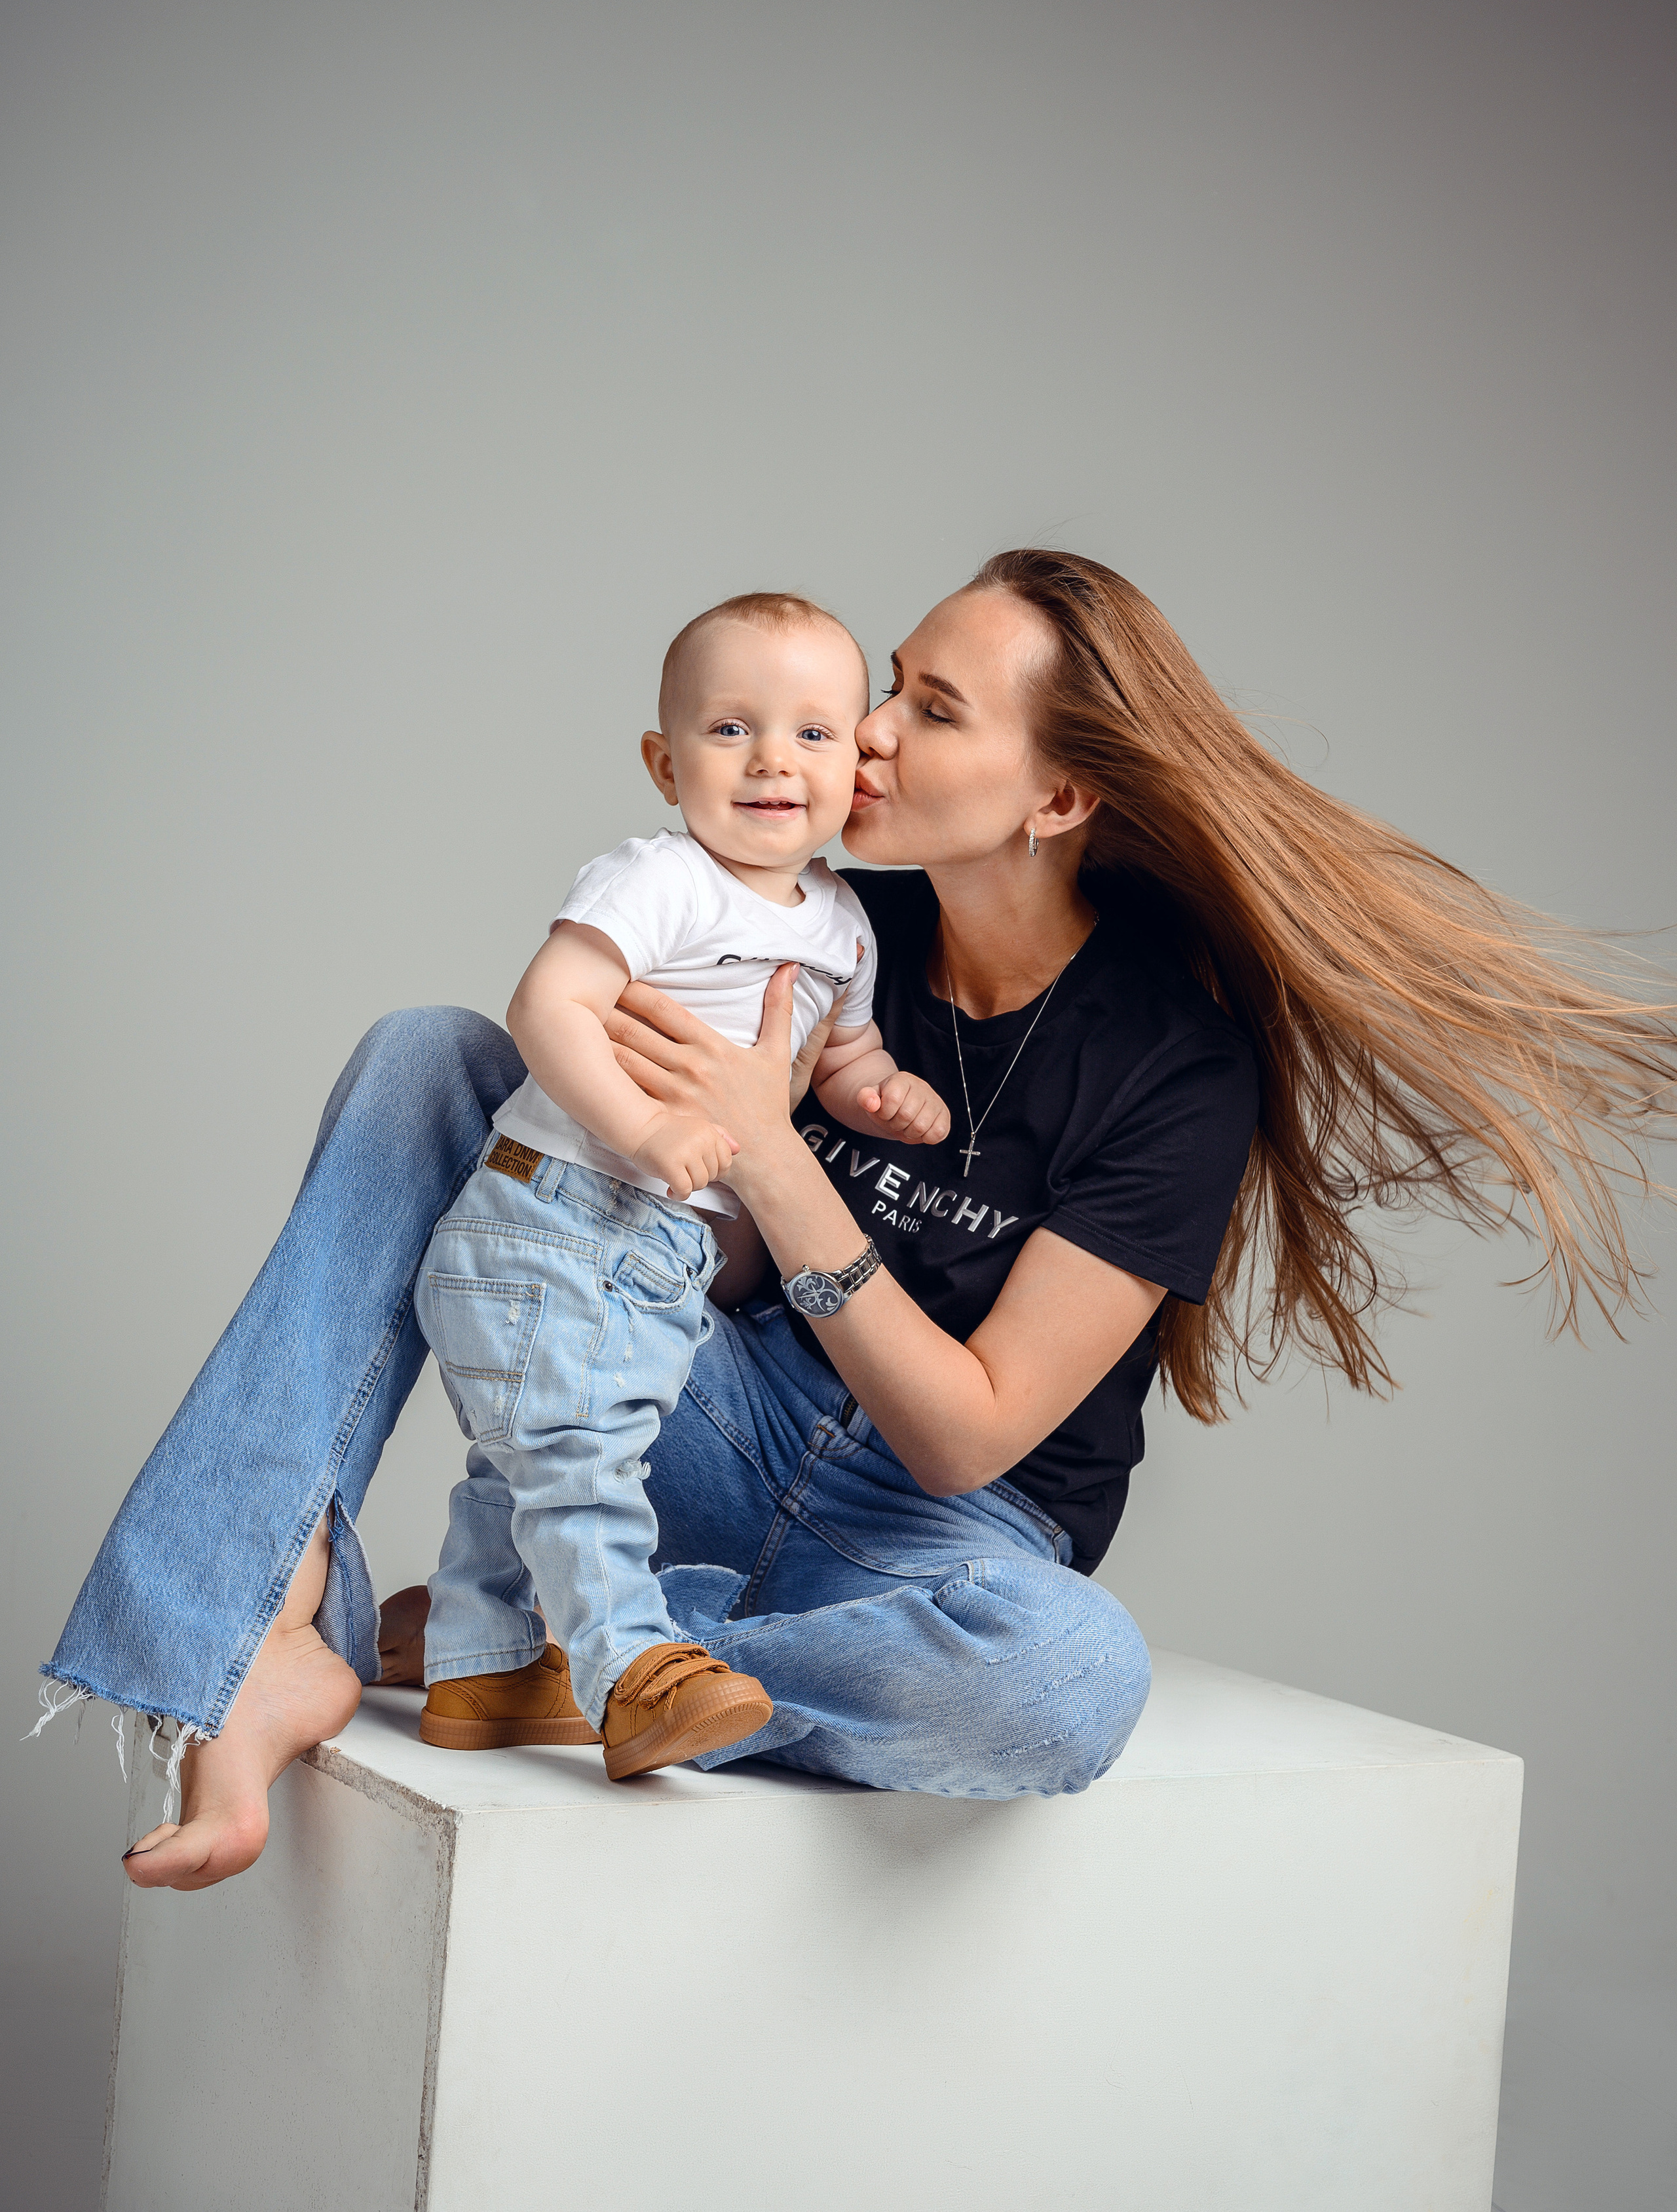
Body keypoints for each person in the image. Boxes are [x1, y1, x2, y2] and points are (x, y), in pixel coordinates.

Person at [38, 551, 1672, 1895]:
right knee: (432, 1060)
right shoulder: (824, 913)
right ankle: (263, 1622)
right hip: (702, 1414)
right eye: (886, 680)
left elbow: (967, 1437)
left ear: (1053, 799)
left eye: (929, 709)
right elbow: (684, 1229)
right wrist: (678, 1158)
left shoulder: (1175, 1065)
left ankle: (594, 1638)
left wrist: (771, 1149)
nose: (862, 732)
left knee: (1063, 1680)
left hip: (930, 1542)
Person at [411, 590, 947, 1780]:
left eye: (813, 733)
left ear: (853, 760)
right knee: (584, 1462)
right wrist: (645, 1127)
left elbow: (837, 1061)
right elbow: (547, 1007)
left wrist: (885, 1096)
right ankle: (631, 1671)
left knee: (531, 1461)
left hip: (656, 1259)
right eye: (728, 730)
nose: (771, 761)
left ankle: (480, 1667)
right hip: (561, 1213)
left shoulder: (845, 924)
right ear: (665, 762)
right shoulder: (660, 879)